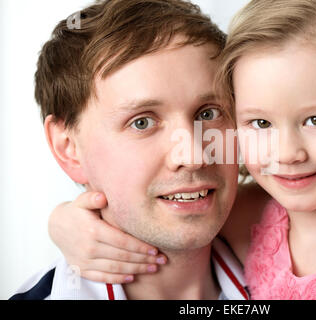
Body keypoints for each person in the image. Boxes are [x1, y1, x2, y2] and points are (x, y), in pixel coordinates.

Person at [48, 0, 316, 299]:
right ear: (67, 148)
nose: (287, 152)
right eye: (261, 123)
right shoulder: (257, 215)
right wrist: (65, 224)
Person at [10, 0, 249, 300]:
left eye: (208, 114)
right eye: (142, 122)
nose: (193, 155)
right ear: (68, 148)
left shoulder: (291, 267)